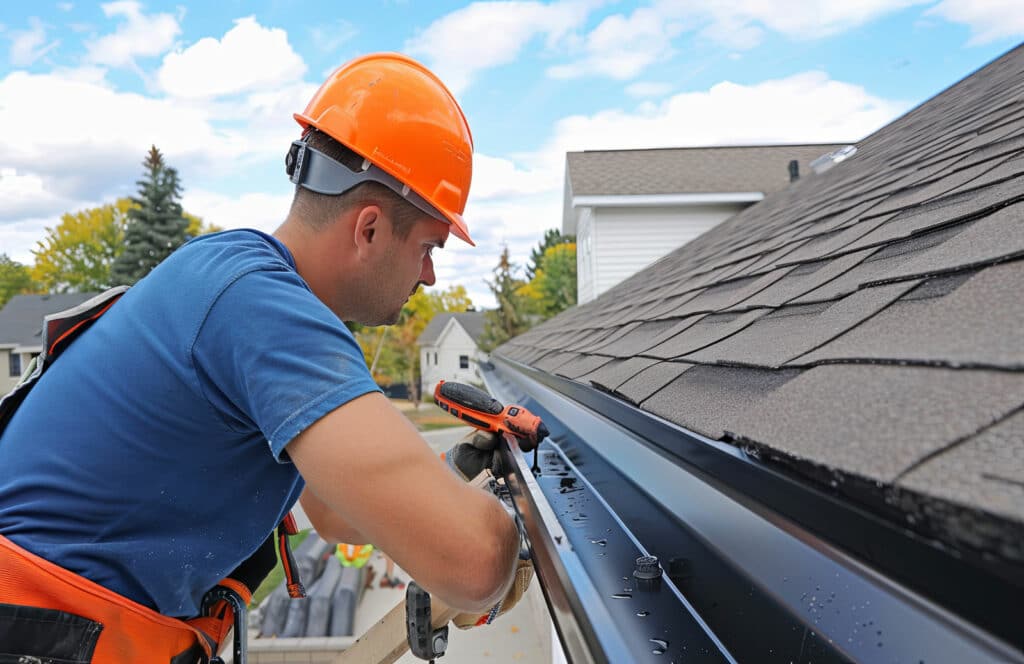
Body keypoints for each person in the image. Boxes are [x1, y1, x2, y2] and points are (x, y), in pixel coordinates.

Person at [0, 53, 533, 662]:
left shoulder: (237, 281)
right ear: (368, 230)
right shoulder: (263, 309)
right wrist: (512, 526)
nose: (432, 277)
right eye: (429, 246)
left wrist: (448, 479)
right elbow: (471, 561)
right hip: (38, 633)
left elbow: (335, 512)